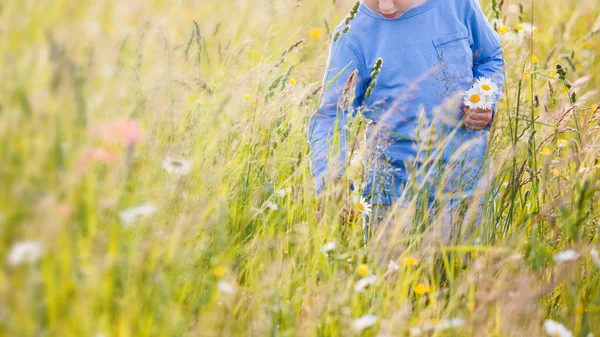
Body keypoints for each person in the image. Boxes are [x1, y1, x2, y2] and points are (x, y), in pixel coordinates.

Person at [307, 0, 505, 253]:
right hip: (393, 198)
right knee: (397, 287)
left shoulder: (458, 6)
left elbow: (489, 58)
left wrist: (484, 99)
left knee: (468, 284)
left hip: (467, 188)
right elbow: (332, 116)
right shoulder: (353, 35)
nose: (386, 6)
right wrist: (332, 181)